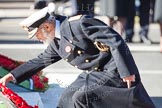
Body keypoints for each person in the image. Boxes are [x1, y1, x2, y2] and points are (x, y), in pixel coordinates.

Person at [0, 5, 155, 108]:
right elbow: (39, 61)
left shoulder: (79, 24)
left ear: (47, 26)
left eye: (37, 34)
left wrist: (126, 72)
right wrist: (12, 76)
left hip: (113, 70)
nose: (38, 38)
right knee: (65, 99)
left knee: (82, 97)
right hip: (95, 73)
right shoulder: (56, 41)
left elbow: (115, 40)